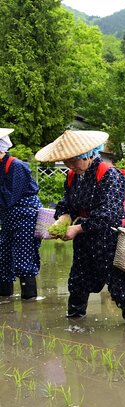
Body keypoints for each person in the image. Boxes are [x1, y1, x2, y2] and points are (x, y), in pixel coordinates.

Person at [35, 130, 125, 325]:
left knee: (119, 285)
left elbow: (109, 215)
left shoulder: (110, 174)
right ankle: (75, 325)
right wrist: (64, 218)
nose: (69, 165)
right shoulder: (72, 176)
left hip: (109, 239)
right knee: (78, 282)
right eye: (66, 161)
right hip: (85, 241)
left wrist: (76, 229)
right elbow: (66, 203)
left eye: (73, 160)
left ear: (87, 154)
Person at [0, 127, 42, 300]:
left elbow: (10, 196)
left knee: (24, 257)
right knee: (3, 256)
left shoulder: (16, 166)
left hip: (25, 216)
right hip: (8, 217)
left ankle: (29, 301)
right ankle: (4, 296)